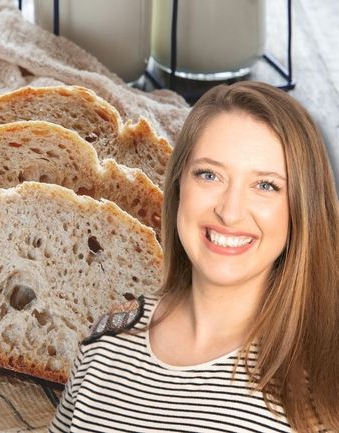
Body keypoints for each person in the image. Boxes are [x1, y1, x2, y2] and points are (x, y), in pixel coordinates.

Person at [49, 81, 339, 433]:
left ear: (302, 210)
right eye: (209, 175)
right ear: (178, 186)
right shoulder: (108, 341)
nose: (230, 212)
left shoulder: (324, 378)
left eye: (266, 186)